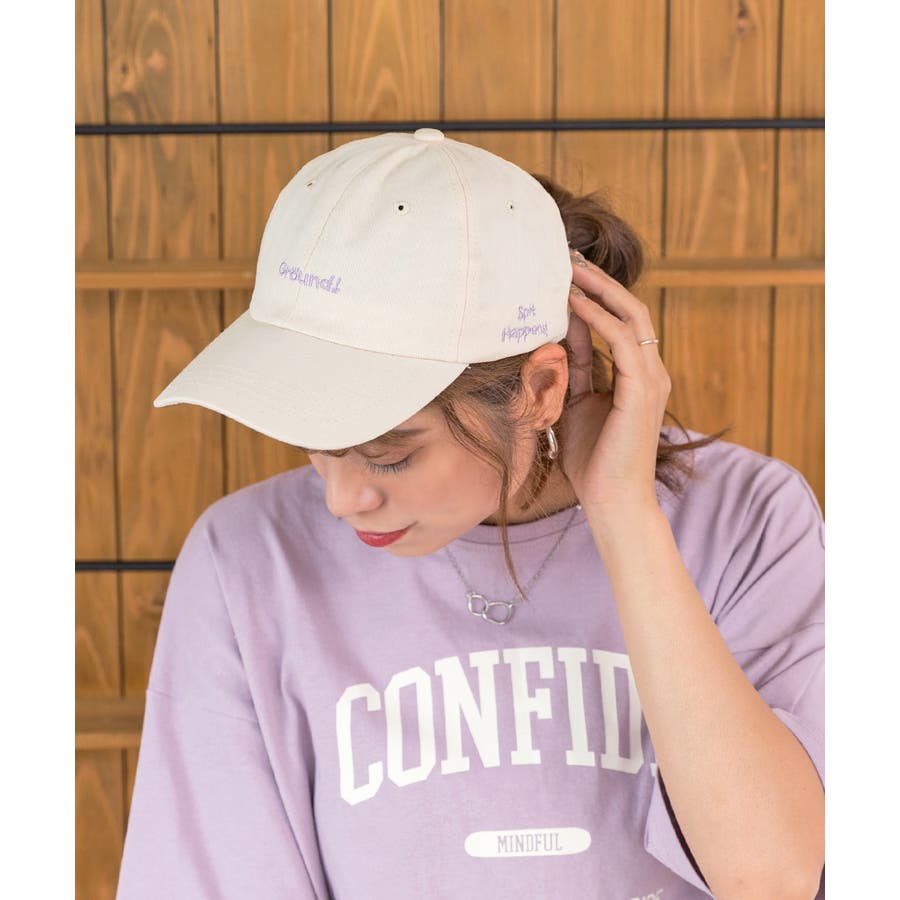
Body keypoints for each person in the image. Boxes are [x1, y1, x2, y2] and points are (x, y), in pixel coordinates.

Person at [114, 129, 825, 899]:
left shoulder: (748, 520)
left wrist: (623, 511)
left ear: (541, 390)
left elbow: (771, 876)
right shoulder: (246, 560)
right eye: (315, 439)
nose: (342, 499)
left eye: (388, 453)